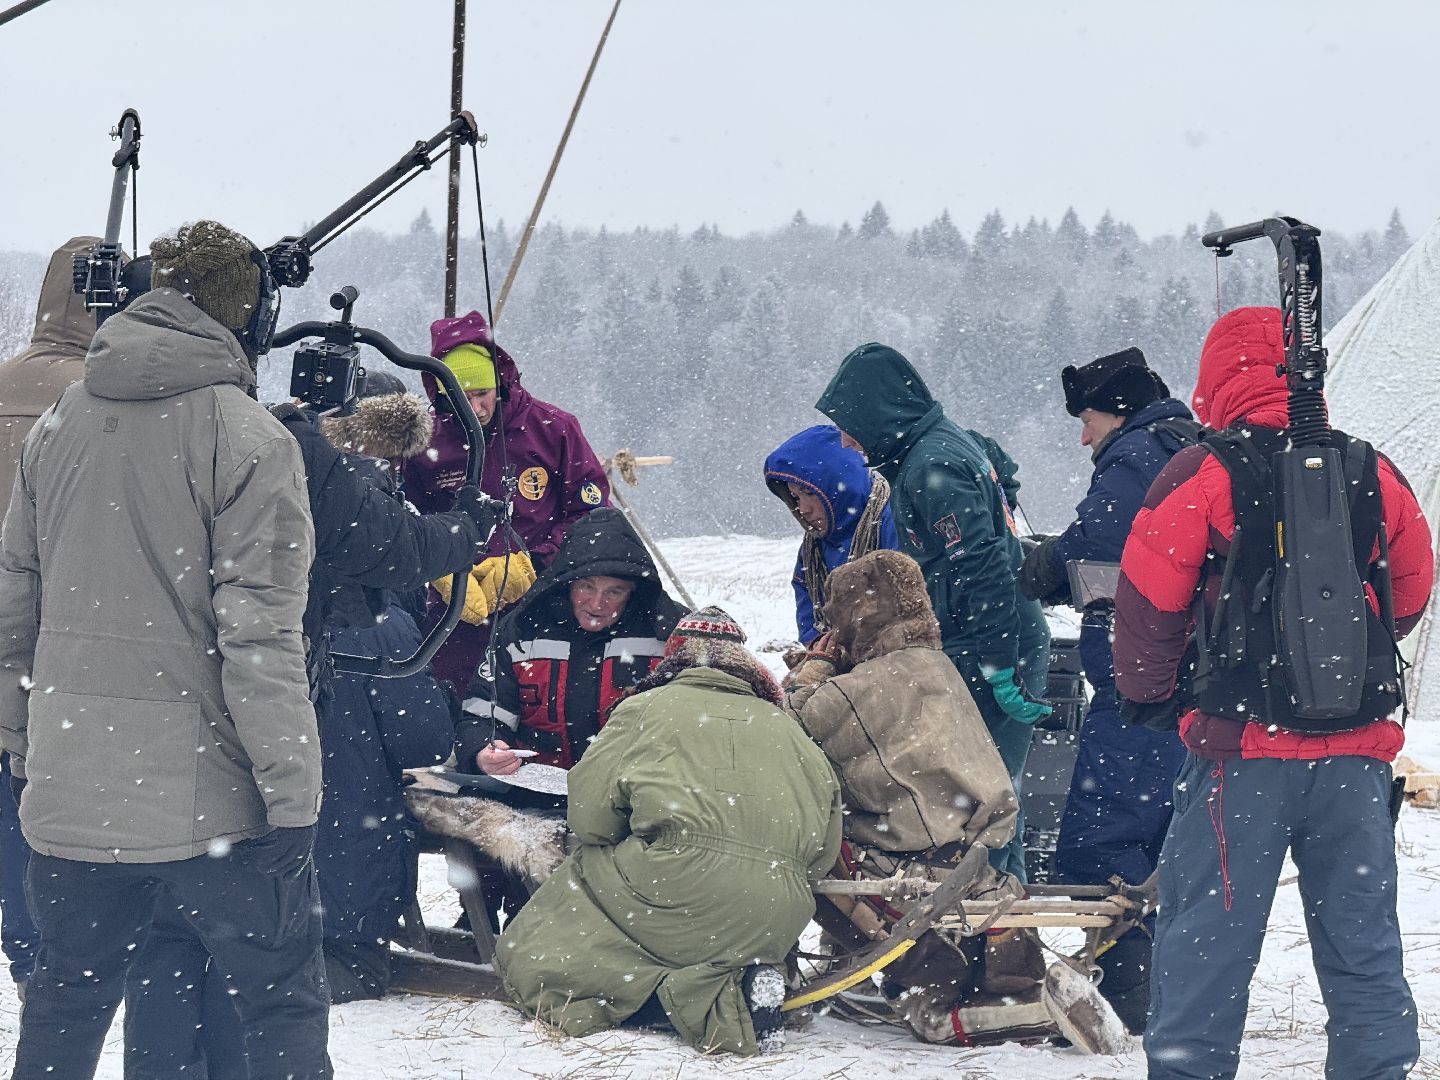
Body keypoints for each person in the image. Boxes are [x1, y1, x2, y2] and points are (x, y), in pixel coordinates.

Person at [0, 220, 327, 1080]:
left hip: (72, 797)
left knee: (65, 1007)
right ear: (245, 316)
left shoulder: (61, 422)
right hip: (210, 808)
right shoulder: (251, 439)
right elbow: (260, 640)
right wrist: (293, 800)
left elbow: (12, 612)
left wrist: (28, 749)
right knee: (281, 1002)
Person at [122, 357, 494, 1078]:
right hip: (335, 907)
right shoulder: (372, 612)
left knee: (180, 959)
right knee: (279, 988)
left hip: (196, 830)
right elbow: (424, 740)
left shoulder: (224, 552)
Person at [1113, 306, 1433, 1079]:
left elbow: (1147, 602)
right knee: (1363, 946)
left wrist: (1156, 695)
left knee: (1207, 950)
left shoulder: (1205, 470)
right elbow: (1414, 586)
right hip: (1356, 756)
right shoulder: (1370, 468)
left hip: (1241, 754)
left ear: (1218, 379)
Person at [785, 550, 1123, 1053]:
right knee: (996, 984)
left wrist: (814, 667)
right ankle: (1039, 996)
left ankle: (1041, 1011)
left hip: (906, 876)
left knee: (935, 1013)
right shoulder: (938, 666)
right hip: (981, 871)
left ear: (855, 618)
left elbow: (789, 722)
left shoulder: (868, 684)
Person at [494, 607, 843, 1055]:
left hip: (676, 884)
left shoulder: (642, 709)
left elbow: (592, 822)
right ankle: (737, 985)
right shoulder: (790, 729)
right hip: (778, 909)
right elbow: (823, 849)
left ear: (672, 659)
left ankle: (668, 1005)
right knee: (696, 939)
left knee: (534, 963)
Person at [815, 342, 1052, 881]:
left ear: (882, 414)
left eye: (853, 426)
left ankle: (994, 933)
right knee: (983, 791)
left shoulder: (932, 465)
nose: (849, 442)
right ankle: (989, 924)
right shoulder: (940, 449)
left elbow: (983, 566)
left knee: (981, 798)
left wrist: (999, 666)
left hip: (995, 637)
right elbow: (1000, 468)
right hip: (984, 633)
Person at [1017, 345, 1200, 1032]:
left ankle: (1130, 999)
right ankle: (1172, 990)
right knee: (1169, 850)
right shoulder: (1188, 444)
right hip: (1188, 692)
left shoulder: (1137, 454)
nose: (1083, 435)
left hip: (1140, 692)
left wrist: (1045, 562)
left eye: (1088, 419)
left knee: (1107, 844)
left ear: (1118, 412)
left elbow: (1103, 542)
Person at [0, 235, 105, 1002]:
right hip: (58, 638)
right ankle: (49, 959)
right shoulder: (99, 402)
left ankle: (28, 949)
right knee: (45, 802)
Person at [404, 310, 611, 695]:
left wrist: (533, 563)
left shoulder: (553, 429)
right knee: (457, 712)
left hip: (545, 606)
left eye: (482, 394)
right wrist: (438, 569)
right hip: (455, 616)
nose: (476, 408)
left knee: (541, 704)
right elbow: (405, 519)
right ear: (441, 392)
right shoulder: (423, 442)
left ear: (499, 383)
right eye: (462, 397)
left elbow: (593, 517)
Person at [458, 506, 687, 775]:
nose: (597, 603)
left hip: (638, 795)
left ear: (634, 591)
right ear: (566, 583)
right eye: (587, 586)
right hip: (533, 796)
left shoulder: (674, 632)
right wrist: (483, 750)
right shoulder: (521, 628)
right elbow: (483, 714)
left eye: (614, 591)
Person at [763, 424, 900, 648]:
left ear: (839, 484)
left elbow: (908, 601)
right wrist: (818, 644)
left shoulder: (890, 522)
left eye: (809, 493)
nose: (803, 508)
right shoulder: (813, 548)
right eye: (796, 498)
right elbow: (806, 600)